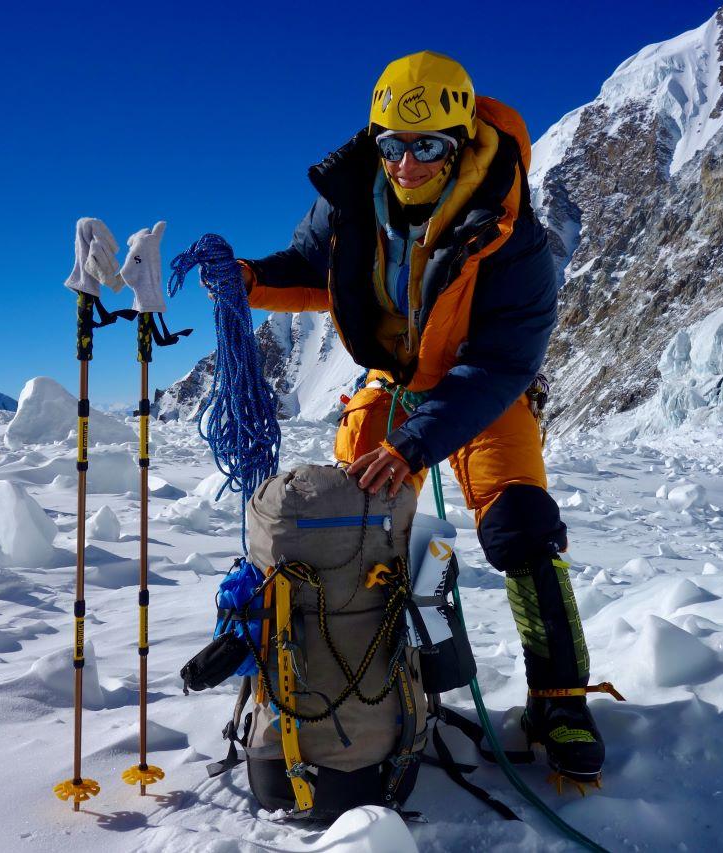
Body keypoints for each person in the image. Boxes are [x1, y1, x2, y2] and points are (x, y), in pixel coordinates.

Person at [239, 51, 604, 784]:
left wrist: (414, 443)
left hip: (477, 385)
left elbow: (502, 363)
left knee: (521, 525)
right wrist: (245, 279)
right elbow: (313, 269)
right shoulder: (348, 198)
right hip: (395, 380)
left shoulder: (511, 232)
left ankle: (560, 700)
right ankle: (366, 684)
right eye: (393, 145)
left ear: (461, 139)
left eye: (429, 145)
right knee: (352, 530)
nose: (407, 164)